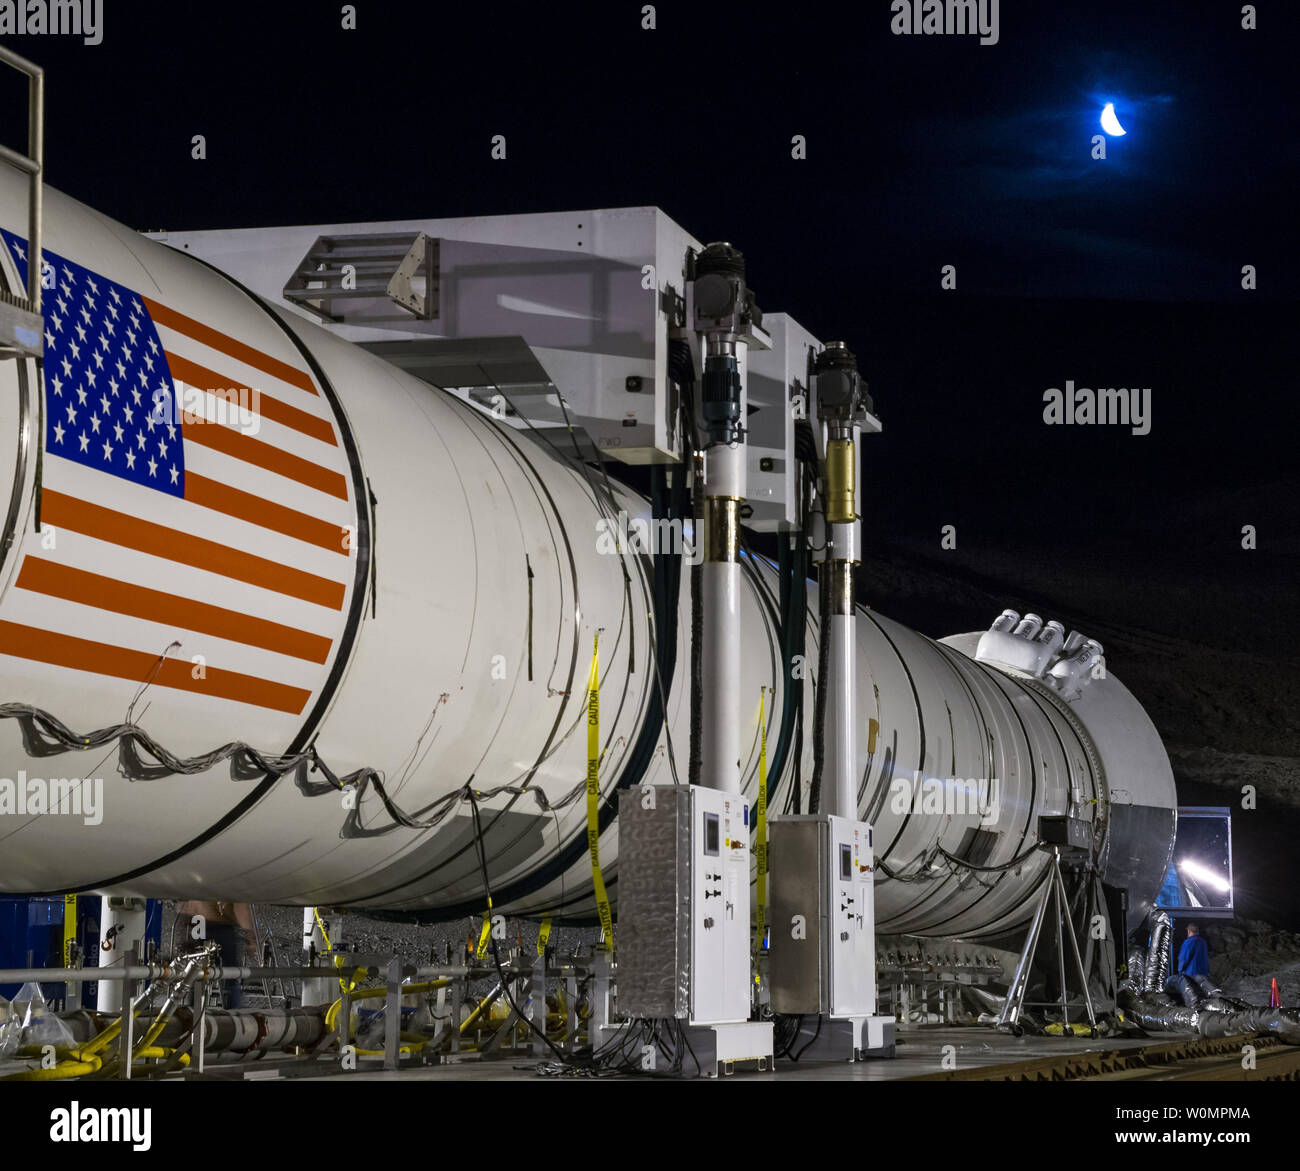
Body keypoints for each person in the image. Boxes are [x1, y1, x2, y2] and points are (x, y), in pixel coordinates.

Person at [173, 901, 258, 1009]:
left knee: (195, 974)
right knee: (230, 975)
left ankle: (194, 1012)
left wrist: (183, 930)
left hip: (197, 924)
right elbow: (240, 905)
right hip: (220, 926)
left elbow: (183, 906)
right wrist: (250, 935)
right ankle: (232, 1013)